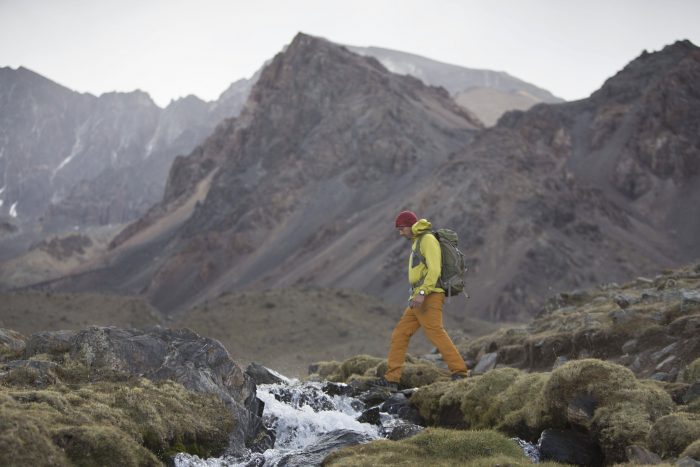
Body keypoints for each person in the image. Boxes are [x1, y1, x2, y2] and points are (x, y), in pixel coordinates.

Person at [376, 210, 469, 391]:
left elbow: (434, 270)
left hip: (428, 296)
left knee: (436, 332)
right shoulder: (417, 241)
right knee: (400, 334)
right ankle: (391, 380)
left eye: (402, 228)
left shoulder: (427, 240)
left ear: (410, 226)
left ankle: (460, 372)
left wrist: (422, 293)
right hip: (419, 297)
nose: (400, 232)